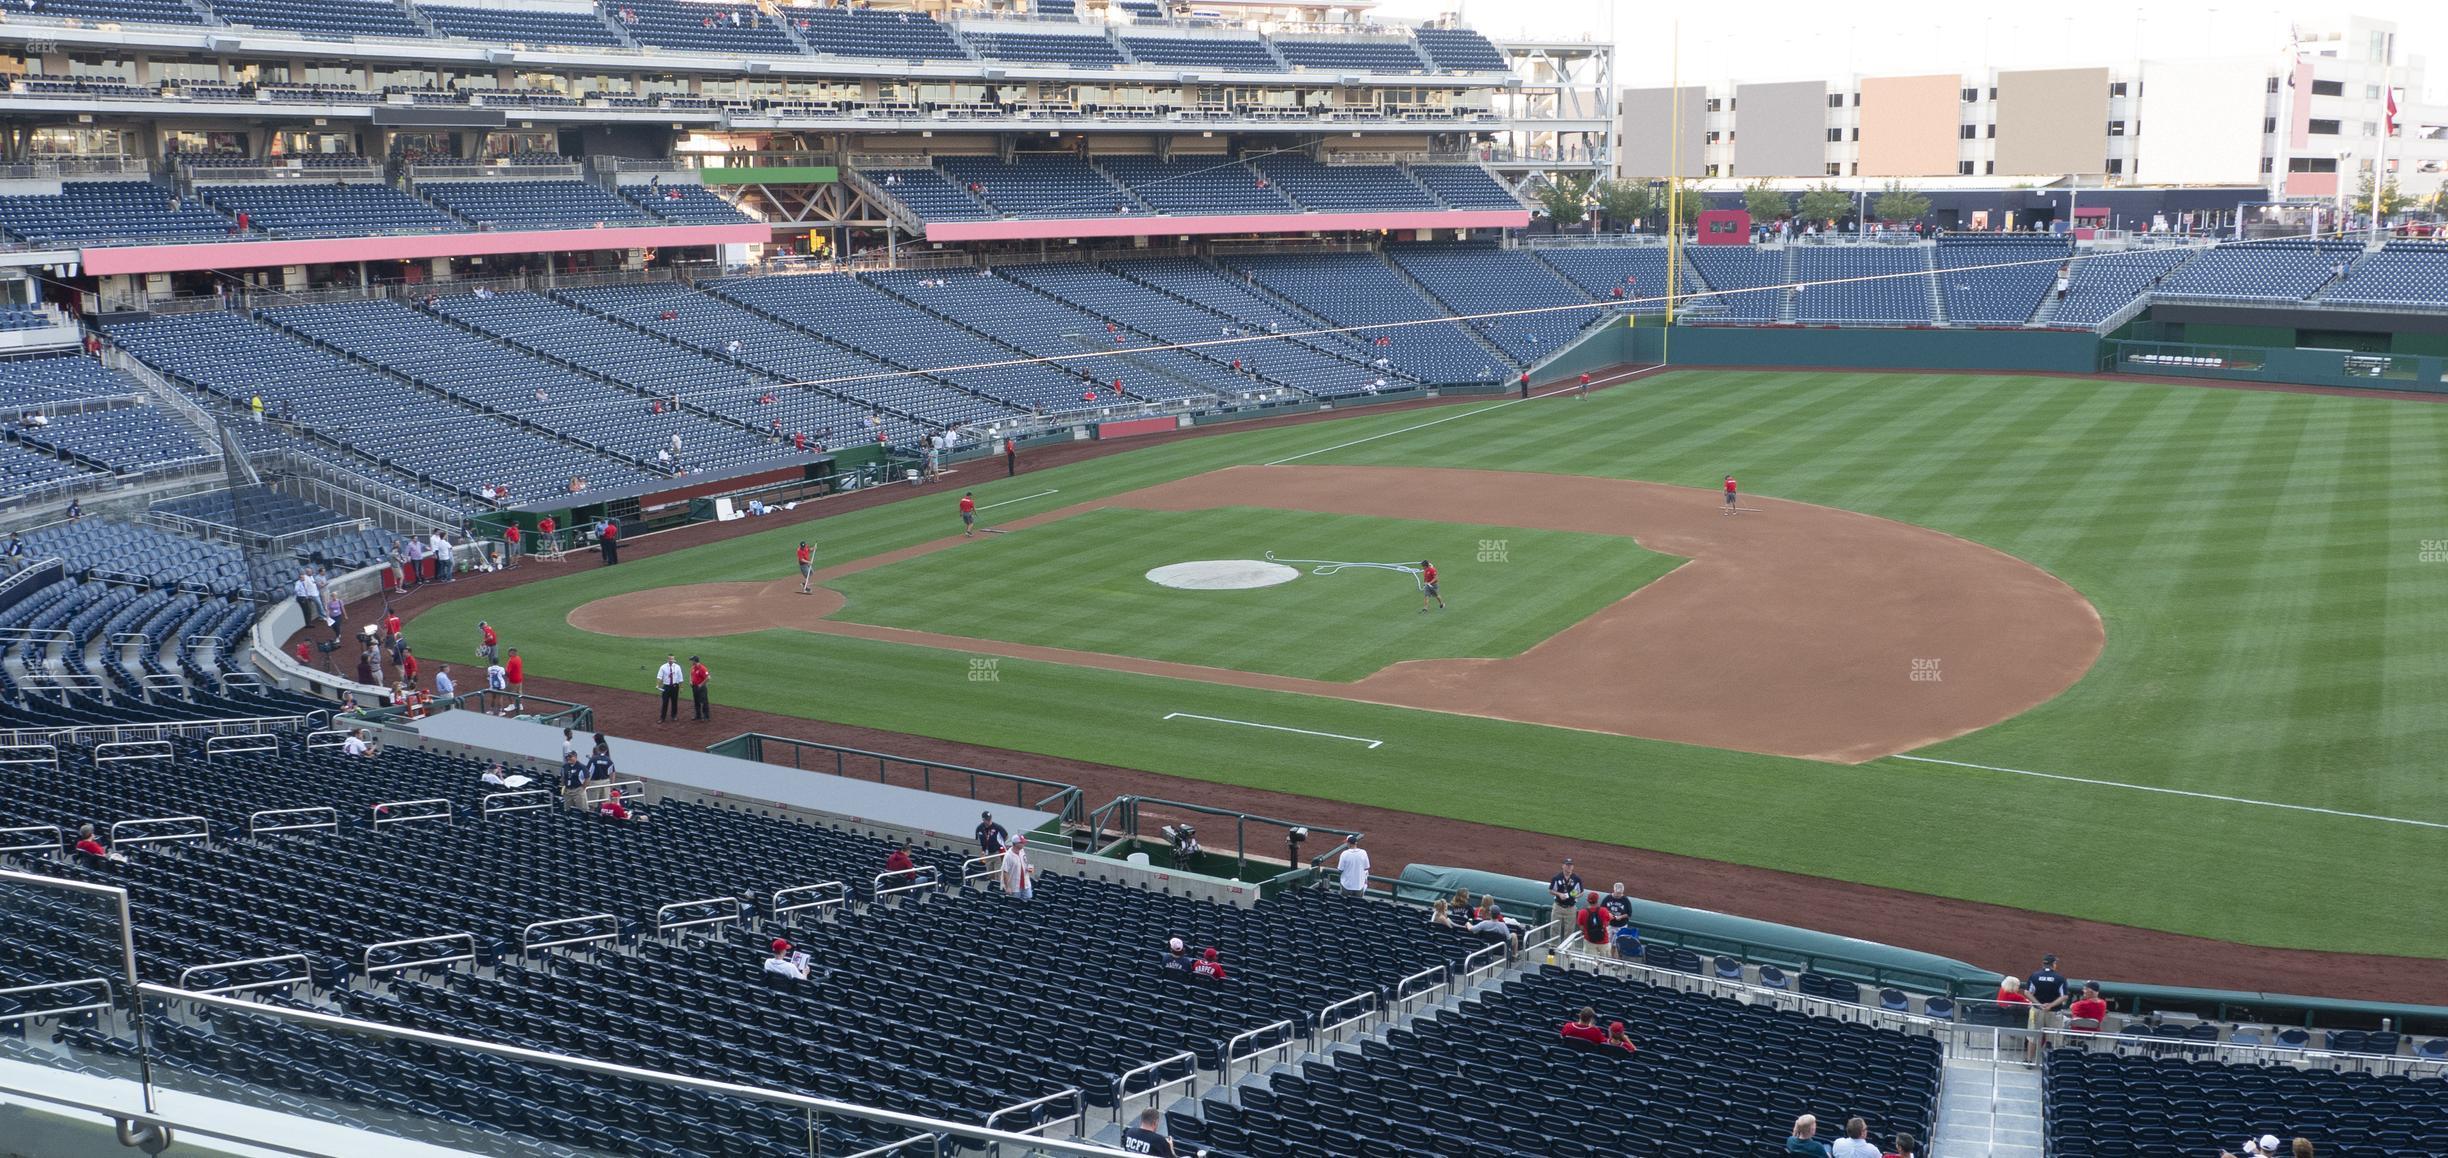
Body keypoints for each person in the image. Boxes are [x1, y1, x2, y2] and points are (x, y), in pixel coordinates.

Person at [2026, 953, 2070, 1025]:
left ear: (2043, 964)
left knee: (2034, 1035)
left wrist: (2039, 1005)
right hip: (2054, 1012)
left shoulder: (2034, 976)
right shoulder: (2060, 978)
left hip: (2037, 1011)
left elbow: (2027, 992)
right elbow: (2064, 996)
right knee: (2053, 1035)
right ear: (2053, 964)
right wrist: (2050, 1005)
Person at [1547, 858, 1583, 929]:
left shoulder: (1577, 879)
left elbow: (1581, 892)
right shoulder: (1557, 878)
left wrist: (1575, 897)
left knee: (1569, 931)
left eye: (1570, 865)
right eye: (1567, 865)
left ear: (1573, 867)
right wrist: (1559, 894)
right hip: (1558, 907)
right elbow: (1550, 890)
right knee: (1554, 929)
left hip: (1571, 908)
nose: (1569, 867)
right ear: (1563, 866)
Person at [999, 835, 1034, 900]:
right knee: (1015, 904)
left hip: (1026, 883)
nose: (1024, 844)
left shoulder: (1022, 851)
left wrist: (1028, 868)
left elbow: (1024, 862)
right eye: (1022, 842)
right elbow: (1005, 872)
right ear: (1016, 844)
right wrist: (1008, 887)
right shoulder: (1008, 856)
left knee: (1028, 900)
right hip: (1014, 886)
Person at [655, 654, 683, 722]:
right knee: (665, 702)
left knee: (674, 702)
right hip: (666, 687)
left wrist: (681, 687)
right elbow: (659, 676)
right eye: (670, 659)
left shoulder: (677, 667)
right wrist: (657, 684)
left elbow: (680, 678)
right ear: (668, 659)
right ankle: (662, 718)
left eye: (672, 659)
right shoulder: (663, 667)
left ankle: (674, 716)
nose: (671, 660)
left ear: (674, 659)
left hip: (675, 686)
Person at [689, 655, 710, 720]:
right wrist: (690, 681)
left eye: (692, 660)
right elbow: (691, 674)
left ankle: (706, 716)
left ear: (695, 661)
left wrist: (701, 685)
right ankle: (698, 715)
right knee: (696, 701)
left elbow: (708, 678)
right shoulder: (693, 667)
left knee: (704, 702)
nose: (691, 661)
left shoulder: (702, 668)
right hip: (694, 687)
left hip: (701, 688)